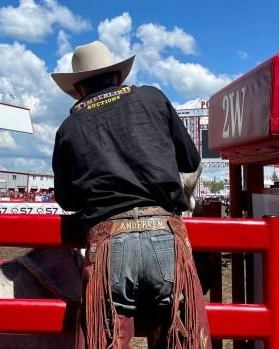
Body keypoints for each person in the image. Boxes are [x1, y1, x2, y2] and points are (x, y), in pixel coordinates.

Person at [51, 41, 211, 349]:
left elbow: (67, 199)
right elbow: (190, 161)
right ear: (117, 77)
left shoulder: (69, 127)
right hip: (165, 233)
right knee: (178, 334)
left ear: (78, 88)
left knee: (105, 336)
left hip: (109, 242)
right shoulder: (152, 98)